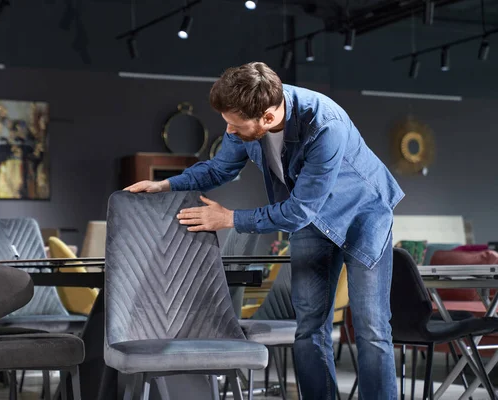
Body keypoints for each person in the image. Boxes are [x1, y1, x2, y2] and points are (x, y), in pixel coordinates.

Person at [124, 61, 404, 399]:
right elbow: (219, 169)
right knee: (308, 328)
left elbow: (299, 210)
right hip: (309, 218)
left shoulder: (325, 125)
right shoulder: (247, 118)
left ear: (268, 119)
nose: (228, 132)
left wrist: (229, 219)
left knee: (371, 329)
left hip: (363, 215)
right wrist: (166, 185)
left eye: (234, 125)